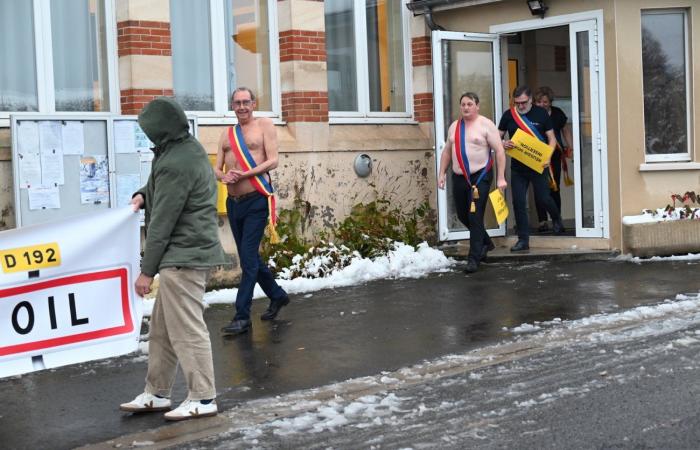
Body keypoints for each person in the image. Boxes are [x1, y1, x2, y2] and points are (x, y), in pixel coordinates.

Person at [120, 97, 227, 421]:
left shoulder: (175, 161)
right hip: (185, 253)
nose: (148, 137)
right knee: (163, 331)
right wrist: (144, 192)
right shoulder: (185, 148)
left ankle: (204, 397)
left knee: (187, 330)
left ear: (160, 131)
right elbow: (163, 187)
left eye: (149, 131)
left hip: (184, 256)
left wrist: (146, 273)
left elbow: (162, 223)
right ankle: (157, 392)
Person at [215, 87, 289, 336]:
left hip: (257, 198)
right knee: (252, 258)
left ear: (254, 104)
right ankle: (277, 296)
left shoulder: (265, 125)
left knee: (247, 258)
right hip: (234, 203)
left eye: (246, 102)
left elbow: (273, 160)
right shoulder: (227, 135)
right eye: (237, 102)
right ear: (232, 106)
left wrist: (245, 174)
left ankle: (242, 316)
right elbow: (217, 167)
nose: (242, 106)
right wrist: (223, 176)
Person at [438, 92, 507, 273]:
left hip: (480, 177)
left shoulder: (486, 125)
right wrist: (441, 173)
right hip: (459, 177)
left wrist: (500, 177)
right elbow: (446, 151)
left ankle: (474, 258)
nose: (466, 107)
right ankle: (486, 243)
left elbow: (499, 151)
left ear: (477, 106)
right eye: (463, 104)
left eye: (470, 104)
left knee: (475, 216)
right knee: (463, 215)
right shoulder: (455, 126)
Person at [498, 85, 564, 252]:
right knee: (518, 203)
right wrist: (503, 143)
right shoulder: (508, 115)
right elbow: (497, 138)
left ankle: (556, 218)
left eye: (524, 102)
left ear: (530, 100)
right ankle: (523, 239)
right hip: (518, 167)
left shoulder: (540, 113)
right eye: (517, 103)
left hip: (538, 164)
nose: (520, 106)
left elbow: (552, 139)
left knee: (544, 198)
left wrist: (548, 157)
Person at [533, 86, 574, 232]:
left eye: (544, 102)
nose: (541, 104)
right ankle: (542, 221)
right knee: (539, 188)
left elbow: (565, 130)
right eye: (538, 102)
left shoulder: (557, 113)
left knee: (554, 188)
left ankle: (557, 218)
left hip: (555, 155)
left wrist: (570, 147)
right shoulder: (532, 115)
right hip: (536, 155)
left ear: (550, 102)